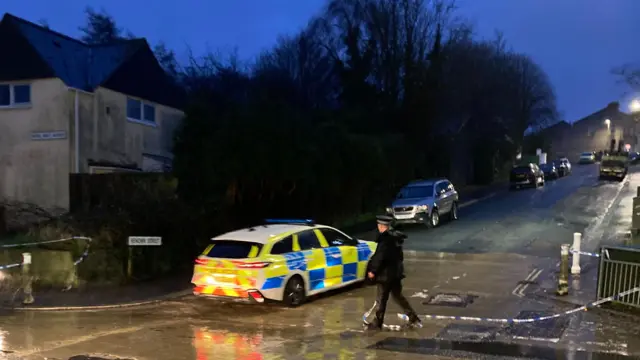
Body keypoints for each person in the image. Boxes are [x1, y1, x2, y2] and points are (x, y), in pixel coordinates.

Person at [364, 215, 422, 330]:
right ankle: (413, 318)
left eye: (379, 226)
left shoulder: (385, 240)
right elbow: (399, 257)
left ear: (381, 226)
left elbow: (380, 257)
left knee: (381, 299)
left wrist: (373, 271)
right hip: (395, 273)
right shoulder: (396, 239)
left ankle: (377, 323)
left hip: (386, 275)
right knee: (398, 296)